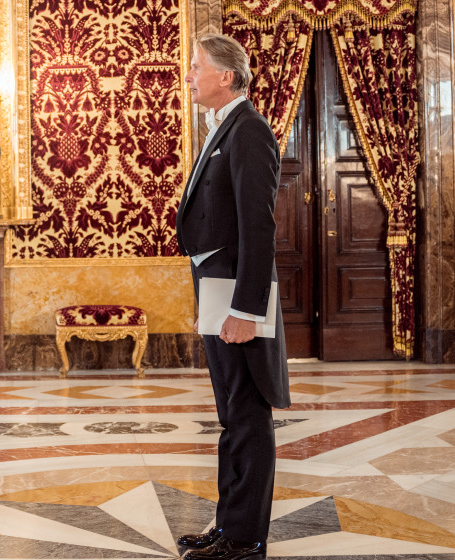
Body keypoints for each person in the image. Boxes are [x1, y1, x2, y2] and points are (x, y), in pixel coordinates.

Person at [174, 34, 290, 560]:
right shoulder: (224, 126)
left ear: (226, 76)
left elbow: (259, 227)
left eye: (196, 67)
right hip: (217, 286)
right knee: (232, 413)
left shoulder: (249, 130)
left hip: (235, 294)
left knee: (247, 412)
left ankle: (244, 540)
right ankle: (228, 526)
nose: (189, 76)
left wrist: (246, 310)